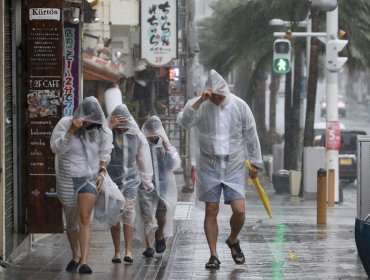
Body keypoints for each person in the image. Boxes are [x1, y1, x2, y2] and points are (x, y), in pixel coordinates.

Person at [177, 69, 263, 269]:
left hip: (233, 164)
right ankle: (213, 255)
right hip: (209, 165)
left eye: (220, 96)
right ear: (209, 93)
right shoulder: (201, 105)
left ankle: (233, 239)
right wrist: (199, 101)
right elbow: (184, 122)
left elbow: (251, 134)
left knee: (239, 210)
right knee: (211, 209)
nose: (217, 100)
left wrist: (255, 162)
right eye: (213, 96)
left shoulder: (240, 106)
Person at [50, 96, 113, 274]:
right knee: (71, 220)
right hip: (67, 177)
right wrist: (71, 131)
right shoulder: (64, 124)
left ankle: (84, 261)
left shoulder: (101, 130)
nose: (88, 126)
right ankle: (75, 255)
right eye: (86, 122)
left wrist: (102, 171)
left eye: (92, 123)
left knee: (85, 217)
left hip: (89, 178)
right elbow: (56, 148)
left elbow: (104, 152)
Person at [107, 104, 154, 264]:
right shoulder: (107, 133)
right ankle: (117, 251)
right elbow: (99, 147)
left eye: (123, 127)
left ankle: (128, 250)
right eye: (118, 127)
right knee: (114, 213)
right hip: (111, 179)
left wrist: (146, 177)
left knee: (128, 211)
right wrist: (109, 127)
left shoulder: (135, 134)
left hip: (130, 179)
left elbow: (140, 156)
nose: (121, 130)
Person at [135, 115, 181, 258]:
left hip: (163, 185)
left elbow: (171, 165)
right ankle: (149, 246)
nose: (153, 138)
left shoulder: (164, 145)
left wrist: (168, 149)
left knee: (162, 215)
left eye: (156, 135)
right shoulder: (140, 144)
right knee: (147, 216)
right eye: (150, 135)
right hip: (144, 185)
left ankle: (160, 233)